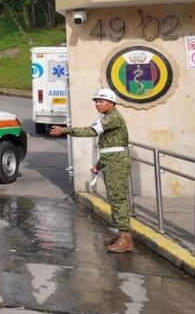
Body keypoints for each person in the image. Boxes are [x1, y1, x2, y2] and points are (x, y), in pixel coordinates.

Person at [49, 88, 133, 253]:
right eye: (96, 101)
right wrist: (99, 165)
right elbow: (110, 147)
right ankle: (121, 234)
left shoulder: (113, 118)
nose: (97, 104)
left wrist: (65, 130)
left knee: (118, 200)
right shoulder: (107, 118)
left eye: (101, 101)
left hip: (117, 163)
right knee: (115, 200)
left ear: (111, 102)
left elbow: (90, 131)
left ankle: (126, 238)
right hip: (112, 161)